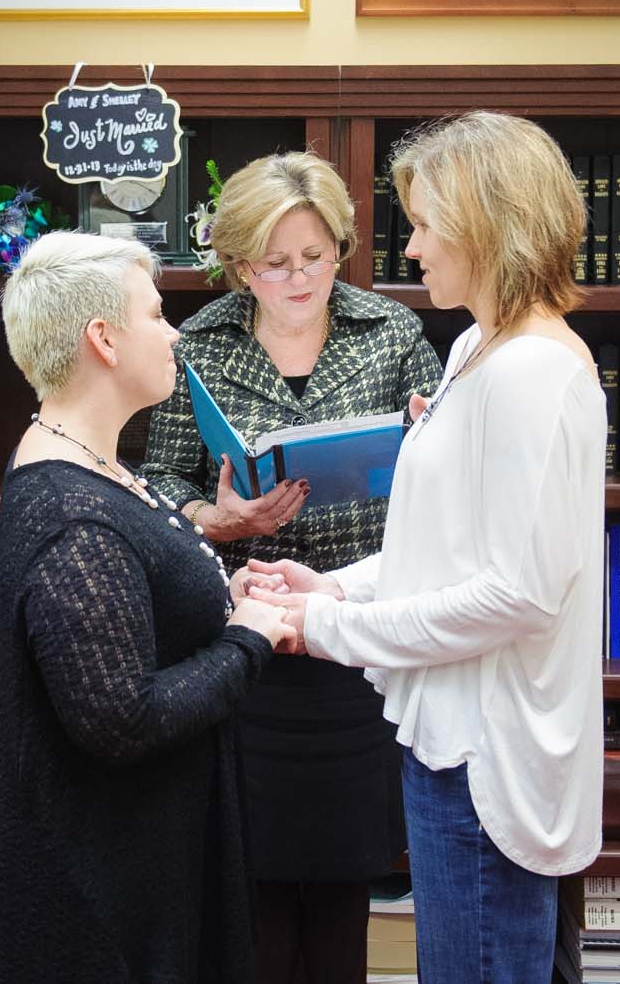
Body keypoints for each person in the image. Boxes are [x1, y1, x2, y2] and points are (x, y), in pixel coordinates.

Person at [249, 114, 606, 984]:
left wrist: (325, 628)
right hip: (447, 747)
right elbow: (444, 544)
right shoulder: (474, 348)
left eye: (424, 223)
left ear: (488, 224)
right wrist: (330, 585)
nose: (410, 248)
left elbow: (514, 593)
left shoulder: (532, 373)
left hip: (486, 768)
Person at [141, 152, 442, 984]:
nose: (299, 276)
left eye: (315, 256)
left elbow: (442, 465)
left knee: (346, 890)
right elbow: (161, 478)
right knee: (255, 899)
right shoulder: (198, 344)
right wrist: (217, 515)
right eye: (275, 263)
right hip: (246, 643)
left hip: (356, 643)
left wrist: (422, 439)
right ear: (241, 264)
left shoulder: (393, 332)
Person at [0, 231, 296, 984]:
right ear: (104, 339)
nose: (174, 332)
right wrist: (245, 640)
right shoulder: (70, 514)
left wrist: (225, 600)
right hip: (98, 914)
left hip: (138, 876)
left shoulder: (98, 465)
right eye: (156, 315)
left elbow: (136, 611)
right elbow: (121, 716)